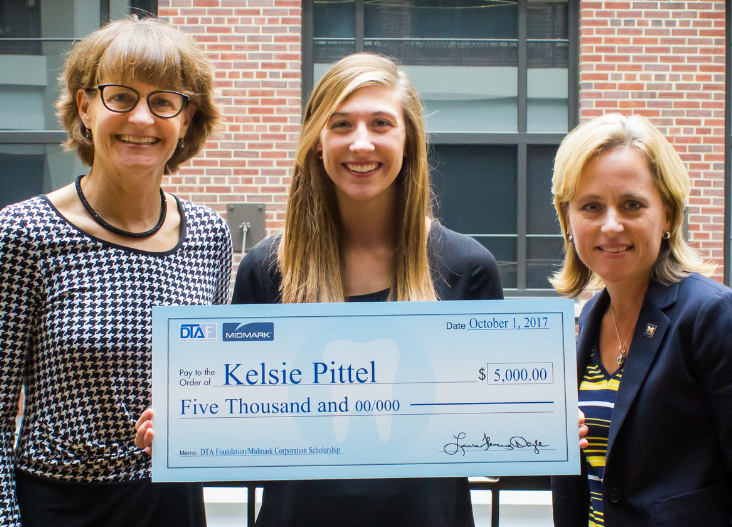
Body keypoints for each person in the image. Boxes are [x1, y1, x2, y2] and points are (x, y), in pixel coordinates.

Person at [137, 52, 503, 525]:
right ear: (316, 142)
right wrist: (186, 428)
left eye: (381, 123)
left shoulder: (468, 268)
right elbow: (241, 422)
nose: (361, 143)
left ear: (409, 140)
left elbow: (493, 435)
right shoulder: (266, 269)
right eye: (341, 125)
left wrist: (540, 424)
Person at [0, 16, 232, 527]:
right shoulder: (24, 233)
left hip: (174, 504)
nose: (142, 118)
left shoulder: (209, 234)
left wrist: (191, 423)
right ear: (85, 106)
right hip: (61, 507)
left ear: (187, 117)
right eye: (121, 96)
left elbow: (209, 388)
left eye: (164, 101)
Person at [550, 113, 732, 526]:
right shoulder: (589, 319)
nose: (611, 225)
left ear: (667, 213)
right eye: (591, 206)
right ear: (568, 220)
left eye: (632, 205)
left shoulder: (711, 316)